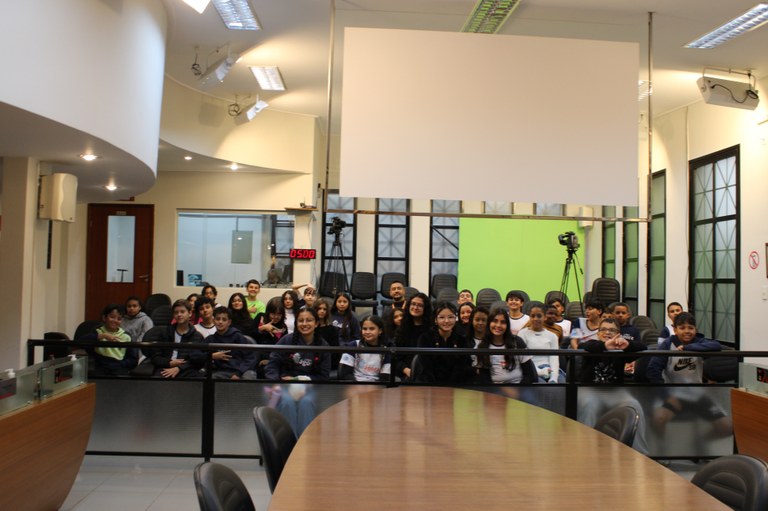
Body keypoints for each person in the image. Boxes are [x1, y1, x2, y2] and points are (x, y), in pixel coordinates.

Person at [646, 312, 732, 437]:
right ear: (675, 330)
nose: (687, 331)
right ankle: (661, 447)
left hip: (697, 394)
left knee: (727, 426)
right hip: (673, 394)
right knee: (658, 419)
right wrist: (666, 396)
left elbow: (716, 345)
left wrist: (688, 348)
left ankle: (701, 444)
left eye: (691, 328)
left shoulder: (699, 342)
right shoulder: (667, 344)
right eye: (682, 328)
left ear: (695, 330)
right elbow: (653, 370)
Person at [416, 302, 476, 384]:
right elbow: (426, 368)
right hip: (428, 385)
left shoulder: (462, 340)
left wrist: (451, 387)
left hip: (455, 385)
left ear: (455, 319)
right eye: (442, 317)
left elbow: (460, 368)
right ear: (435, 320)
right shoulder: (425, 338)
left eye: (450, 317)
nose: (446, 321)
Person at [265, 308, 331, 381]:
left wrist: (298, 379)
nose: (304, 324)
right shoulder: (286, 340)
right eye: (300, 321)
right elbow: (272, 365)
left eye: (309, 320)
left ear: (316, 323)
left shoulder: (323, 346)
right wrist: (275, 382)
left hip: (311, 385)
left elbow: (324, 376)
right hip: (284, 383)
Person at [144, 299, 205, 378]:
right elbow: (155, 356)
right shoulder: (165, 333)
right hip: (165, 368)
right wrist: (169, 363)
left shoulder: (197, 336)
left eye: (182, 312)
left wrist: (179, 368)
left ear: (190, 313)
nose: (179, 314)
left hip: (186, 370)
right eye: (176, 312)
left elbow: (198, 360)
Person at [476, 306, 537, 384]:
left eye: (503, 322)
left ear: (507, 325)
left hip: (519, 386)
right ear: (489, 323)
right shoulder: (482, 346)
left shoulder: (517, 342)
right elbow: (484, 378)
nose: (498, 325)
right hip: (494, 388)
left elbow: (529, 374)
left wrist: (517, 388)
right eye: (495, 321)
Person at [206, 306, 257, 380]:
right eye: (218, 319)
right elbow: (197, 355)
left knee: (249, 377)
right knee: (211, 378)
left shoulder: (238, 336)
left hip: (243, 370)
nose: (220, 322)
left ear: (229, 322)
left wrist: (238, 373)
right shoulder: (210, 339)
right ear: (213, 320)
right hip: (223, 372)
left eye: (224, 319)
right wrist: (211, 356)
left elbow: (250, 358)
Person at [339, 315, 392, 382]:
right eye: (364, 329)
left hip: (376, 385)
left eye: (372, 329)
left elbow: (385, 377)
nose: (367, 332)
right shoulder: (353, 345)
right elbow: (345, 374)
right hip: (354, 384)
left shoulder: (386, 351)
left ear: (380, 331)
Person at [90, 303, 138, 376]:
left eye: (119, 319)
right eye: (112, 317)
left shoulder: (126, 336)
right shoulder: (98, 332)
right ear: (104, 318)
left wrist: (120, 364)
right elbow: (81, 342)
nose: (115, 320)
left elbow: (133, 360)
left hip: (119, 367)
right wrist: (103, 336)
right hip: (101, 367)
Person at [518, 304, 562, 383]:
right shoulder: (522, 334)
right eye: (532, 316)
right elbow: (524, 360)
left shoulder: (553, 336)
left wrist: (554, 378)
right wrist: (541, 372)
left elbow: (554, 358)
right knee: (543, 387)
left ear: (545, 317)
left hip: (550, 369)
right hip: (532, 370)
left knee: (562, 385)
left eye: (539, 316)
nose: (535, 319)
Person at [393, 293, 432, 380]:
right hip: (405, 374)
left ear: (425, 308)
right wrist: (405, 370)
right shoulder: (401, 329)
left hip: (427, 374)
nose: (415, 307)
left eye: (420, 305)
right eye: (413, 304)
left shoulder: (432, 330)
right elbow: (396, 357)